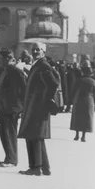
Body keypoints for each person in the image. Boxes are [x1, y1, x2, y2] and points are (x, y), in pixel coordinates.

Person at [17, 44, 60, 175]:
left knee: (33, 136)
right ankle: (44, 168)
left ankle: (35, 168)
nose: (35, 52)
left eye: (38, 50)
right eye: (34, 50)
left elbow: (53, 84)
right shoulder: (39, 65)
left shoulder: (43, 66)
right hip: (35, 106)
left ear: (43, 52)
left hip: (37, 107)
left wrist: (45, 99)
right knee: (37, 137)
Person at [0, 50, 26, 168]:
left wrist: (20, 107)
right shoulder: (6, 71)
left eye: (0, 58)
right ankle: (8, 157)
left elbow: (24, 90)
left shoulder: (16, 72)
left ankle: (12, 159)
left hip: (11, 108)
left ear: (7, 59)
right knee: (4, 133)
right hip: (4, 107)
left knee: (9, 133)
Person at [69, 62, 95, 142]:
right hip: (89, 100)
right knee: (86, 118)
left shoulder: (78, 80)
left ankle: (77, 135)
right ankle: (83, 136)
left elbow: (73, 91)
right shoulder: (93, 82)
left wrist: (70, 100)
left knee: (78, 117)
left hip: (79, 99)